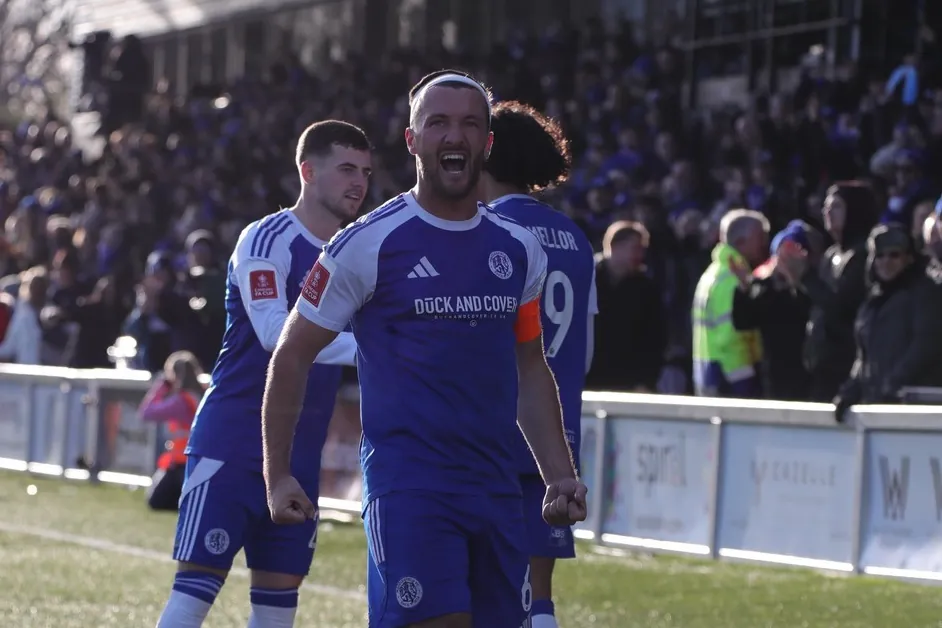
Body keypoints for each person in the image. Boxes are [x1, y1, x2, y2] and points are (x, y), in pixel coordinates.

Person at [261, 70, 587, 628]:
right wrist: (278, 473)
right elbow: (291, 352)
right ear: (412, 140)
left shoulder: (520, 249)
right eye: (437, 123)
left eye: (469, 124)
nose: (454, 136)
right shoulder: (366, 243)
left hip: (496, 490)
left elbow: (529, 367)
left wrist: (558, 473)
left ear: (487, 142)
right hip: (410, 490)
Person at [155, 120, 372, 628]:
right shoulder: (266, 237)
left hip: (299, 452)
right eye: (345, 169)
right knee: (193, 595)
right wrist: (380, 351)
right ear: (307, 171)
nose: (358, 182)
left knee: (278, 609)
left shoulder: (359, 254)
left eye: (365, 171)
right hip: (232, 441)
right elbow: (278, 335)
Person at [480, 100, 596, 628]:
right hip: (556, 434)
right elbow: (587, 347)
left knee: (474, 589)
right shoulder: (574, 236)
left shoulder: (485, 231)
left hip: (492, 428)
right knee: (538, 591)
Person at [692, 209, 769, 398]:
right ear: (741, 241)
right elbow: (730, 336)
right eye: (760, 236)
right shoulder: (732, 279)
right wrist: (745, 381)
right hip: (731, 377)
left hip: (709, 372)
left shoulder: (713, 272)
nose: (764, 243)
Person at [140, 350, 206, 511]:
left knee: (155, 501)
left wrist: (161, 387)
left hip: (182, 464)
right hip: (202, 461)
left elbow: (146, 413)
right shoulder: (204, 393)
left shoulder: (180, 401)